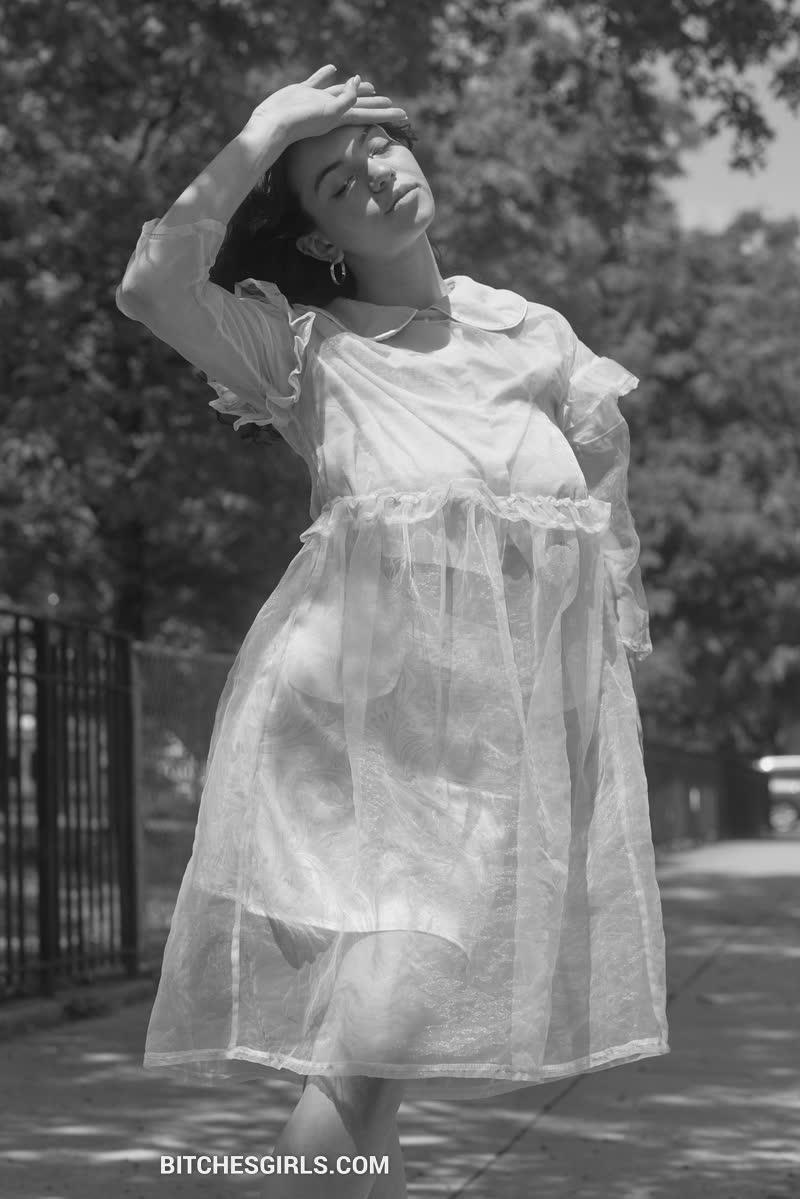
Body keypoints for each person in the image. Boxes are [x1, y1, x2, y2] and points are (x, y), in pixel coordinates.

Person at [116, 64, 669, 1199]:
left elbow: (600, 535)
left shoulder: (530, 333)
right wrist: (264, 128)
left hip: (488, 752)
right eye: (334, 181)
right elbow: (152, 285)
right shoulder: (306, 349)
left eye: (377, 148)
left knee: (375, 1062)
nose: (371, 175)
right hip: (351, 744)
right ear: (319, 238)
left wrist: (587, 714)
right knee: (370, 1048)